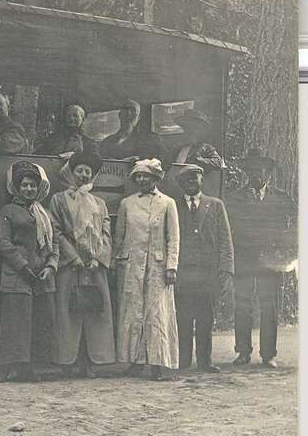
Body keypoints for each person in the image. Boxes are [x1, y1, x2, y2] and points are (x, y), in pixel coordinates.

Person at [225, 148, 297, 369]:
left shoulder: (282, 198)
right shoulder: (234, 199)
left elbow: (296, 227)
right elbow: (228, 231)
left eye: (262, 170)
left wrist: (287, 253)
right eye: (253, 170)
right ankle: (243, 352)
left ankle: (268, 354)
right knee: (242, 305)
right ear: (247, 173)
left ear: (269, 173)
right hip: (244, 259)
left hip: (271, 261)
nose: (258, 174)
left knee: (269, 306)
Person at [47, 151, 115, 378]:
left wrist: (97, 258)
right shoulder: (58, 200)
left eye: (88, 171)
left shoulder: (100, 203)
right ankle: (67, 361)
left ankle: (91, 361)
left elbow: (106, 234)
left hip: (95, 266)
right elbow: (55, 232)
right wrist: (73, 257)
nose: (84, 175)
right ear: (71, 172)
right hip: (70, 265)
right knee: (68, 312)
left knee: (93, 312)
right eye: (80, 171)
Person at [114, 158, 180, 381]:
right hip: (131, 265)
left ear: (155, 178)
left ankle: (157, 362)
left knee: (156, 313)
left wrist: (171, 266)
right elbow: (119, 236)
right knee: (133, 311)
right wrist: (118, 261)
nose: (142, 180)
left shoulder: (167, 203)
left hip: (157, 266)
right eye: (138, 176)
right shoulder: (127, 203)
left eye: (146, 176)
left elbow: (173, 238)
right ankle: (133, 360)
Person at [0, 160, 59, 383]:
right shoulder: (8, 211)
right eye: (24, 185)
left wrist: (51, 266)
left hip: (41, 276)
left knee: (38, 322)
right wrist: (23, 267)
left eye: (33, 185)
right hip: (17, 276)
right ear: (17, 187)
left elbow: (54, 243)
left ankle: (29, 368)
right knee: (14, 323)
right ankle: (5, 368)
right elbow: (3, 243)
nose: (29, 189)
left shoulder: (45, 213)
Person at [173, 164, 234, 373]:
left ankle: (205, 361)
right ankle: (183, 359)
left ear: (202, 180)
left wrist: (226, 269)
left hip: (207, 272)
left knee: (206, 317)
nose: (192, 181)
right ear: (182, 183)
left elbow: (225, 240)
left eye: (196, 177)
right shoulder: (174, 205)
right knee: (182, 316)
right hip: (183, 271)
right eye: (187, 179)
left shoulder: (215, 205)